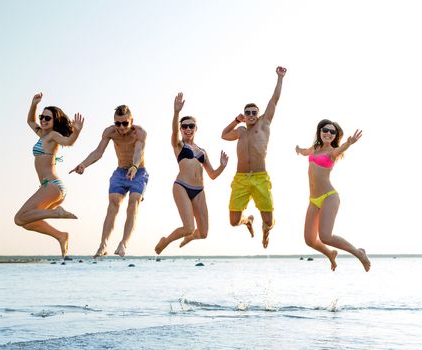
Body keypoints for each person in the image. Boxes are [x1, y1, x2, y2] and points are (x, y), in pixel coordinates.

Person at [154, 93, 229, 254]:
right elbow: (173, 132)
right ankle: (165, 241)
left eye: (191, 126)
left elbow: (212, 175)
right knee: (189, 227)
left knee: (203, 234)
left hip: (199, 191)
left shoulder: (202, 151)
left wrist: (222, 166)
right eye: (185, 126)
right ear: (181, 129)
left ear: (196, 128)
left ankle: (190, 237)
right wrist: (176, 113)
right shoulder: (178, 145)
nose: (188, 129)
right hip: (181, 186)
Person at [70, 105, 148, 258]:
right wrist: (83, 164)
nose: (121, 127)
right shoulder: (110, 132)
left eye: (125, 123)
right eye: (117, 123)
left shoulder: (140, 132)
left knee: (134, 202)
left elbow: (138, 151)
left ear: (131, 121)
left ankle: (123, 243)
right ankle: (103, 245)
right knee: (113, 203)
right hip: (120, 172)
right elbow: (98, 152)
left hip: (138, 172)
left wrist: (134, 166)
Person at [221, 66, 286, 249]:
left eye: (253, 113)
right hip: (241, 179)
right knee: (233, 221)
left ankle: (265, 231)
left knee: (269, 221)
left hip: (259, 178)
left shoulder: (264, 124)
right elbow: (224, 135)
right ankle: (247, 221)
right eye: (247, 113)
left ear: (258, 115)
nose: (250, 115)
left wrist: (280, 77)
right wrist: (236, 120)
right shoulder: (240, 131)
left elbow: (275, 99)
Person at [14, 92, 84, 257]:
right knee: (28, 222)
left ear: (55, 122)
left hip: (53, 186)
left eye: (47, 118)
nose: (43, 120)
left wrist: (77, 132)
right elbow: (30, 121)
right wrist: (34, 104)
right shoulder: (42, 134)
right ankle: (61, 236)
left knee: (19, 218)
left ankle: (57, 213)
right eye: (42, 117)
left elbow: (68, 142)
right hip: (51, 187)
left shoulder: (52, 136)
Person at [295, 119, 371, 271]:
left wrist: (349, 143)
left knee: (325, 237)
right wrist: (299, 150)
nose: (328, 133)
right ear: (320, 132)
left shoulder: (332, 152)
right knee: (309, 240)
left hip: (329, 197)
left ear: (335, 136)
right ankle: (330, 253)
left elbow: (340, 149)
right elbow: (305, 152)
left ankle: (359, 253)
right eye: (325, 130)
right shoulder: (315, 147)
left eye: (332, 132)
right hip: (313, 200)